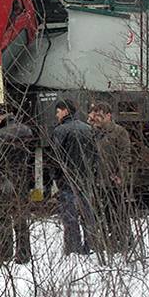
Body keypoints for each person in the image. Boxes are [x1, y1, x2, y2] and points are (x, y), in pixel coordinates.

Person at [0, 103, 34, 264]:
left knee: (4, 218)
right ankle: (24, 254)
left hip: (4, 182)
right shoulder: (27, 131)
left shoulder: (0, 135)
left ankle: (6, 253)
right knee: (21, 219)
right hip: (23, 181)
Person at [51, 99, 98, 255]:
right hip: (85, 179)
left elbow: (56, 159)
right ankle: (90, 245)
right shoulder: (89, 129)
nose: (56, 115)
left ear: (65, 111)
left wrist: (55, 179)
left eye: (57, 111)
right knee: (88, 214)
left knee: (70, 216)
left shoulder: (60, 131)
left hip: (67, 180)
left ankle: (73, 248)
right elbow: (96, 156)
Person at [88, 101, 133, 252]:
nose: (96, 118)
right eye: (95, 115)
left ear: (108, 115)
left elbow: (124, 156)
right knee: (100, 215)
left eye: (99, 115)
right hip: (96, 180)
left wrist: (120, 175)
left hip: (112, 180)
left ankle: (122, 243)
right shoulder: (93, 132)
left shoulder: (119, 132)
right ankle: (105, 243)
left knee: (117, 213)